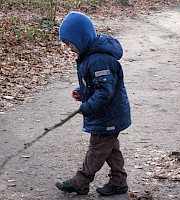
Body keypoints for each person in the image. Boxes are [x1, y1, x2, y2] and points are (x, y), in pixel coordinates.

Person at [55, 12, 131, 196]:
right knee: (110, 149)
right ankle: (119, 182)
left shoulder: (99, 59)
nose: (69, 48)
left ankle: (80, 182)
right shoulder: (90, 56)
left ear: (82, 37)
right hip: (107, 115)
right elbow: (96, 85)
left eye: (70, 43)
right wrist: (81, 93)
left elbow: (105, 91)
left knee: (97, 150)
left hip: (108, 115)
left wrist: (87, 107)